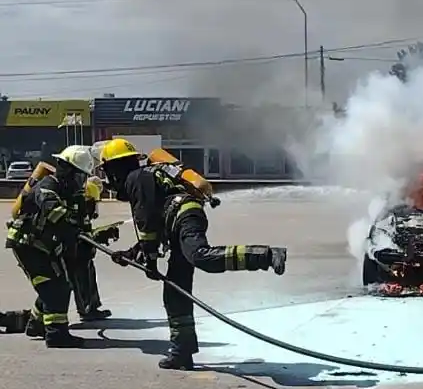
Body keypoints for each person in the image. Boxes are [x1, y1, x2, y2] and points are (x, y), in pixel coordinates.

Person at [98, 138, 288, 371]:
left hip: (184, 216)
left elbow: (146, 222)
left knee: (201, 257)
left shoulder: (136, 178)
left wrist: (150, 261)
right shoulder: (143, 177)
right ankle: (182, 352)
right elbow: (152, 228)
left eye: (107, 170)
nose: (109, 178)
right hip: (176, 223)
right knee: (175, 291)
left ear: (115, 167)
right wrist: (131, 253)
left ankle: (266, 255)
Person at [5, 145, 97, 348]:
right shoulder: (48, 185)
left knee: (56, 285)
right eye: (80, 176)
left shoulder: (73, 193)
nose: (82, 182)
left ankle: (36, 324)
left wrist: (90, 241)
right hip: (28, 244)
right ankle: (56, 335)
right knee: (55, 288)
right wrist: (73, 228)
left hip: (46, 246)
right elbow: (53, 212)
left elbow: (82, 223)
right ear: (69, 170)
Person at [64, 172, 119, 322]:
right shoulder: (78, 211)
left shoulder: (81, 212)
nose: (94, 206)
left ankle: (91, 307)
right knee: (80, 278)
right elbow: (78, 235)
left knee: (87, 275)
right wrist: (97, 237)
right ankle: (87, 309)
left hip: (81, 252)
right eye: (92, 202)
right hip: (74, 252)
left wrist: (102, 234)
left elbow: (86, 233)